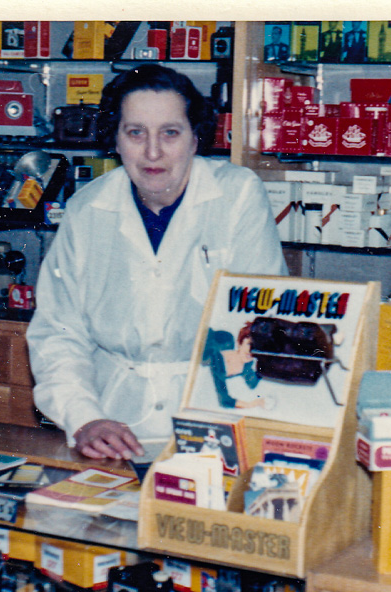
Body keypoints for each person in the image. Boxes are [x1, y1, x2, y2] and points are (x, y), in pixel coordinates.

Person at [26, 64, 287, 461]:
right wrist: (84, 419)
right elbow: (59, 332)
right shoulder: (87, 209)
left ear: (195, 138)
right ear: (115, 139)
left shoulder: (237, 197)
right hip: (112, 430)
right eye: (135, 133)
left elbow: (258, 321)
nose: (152, 152)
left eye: (170, 133)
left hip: (217, 421)